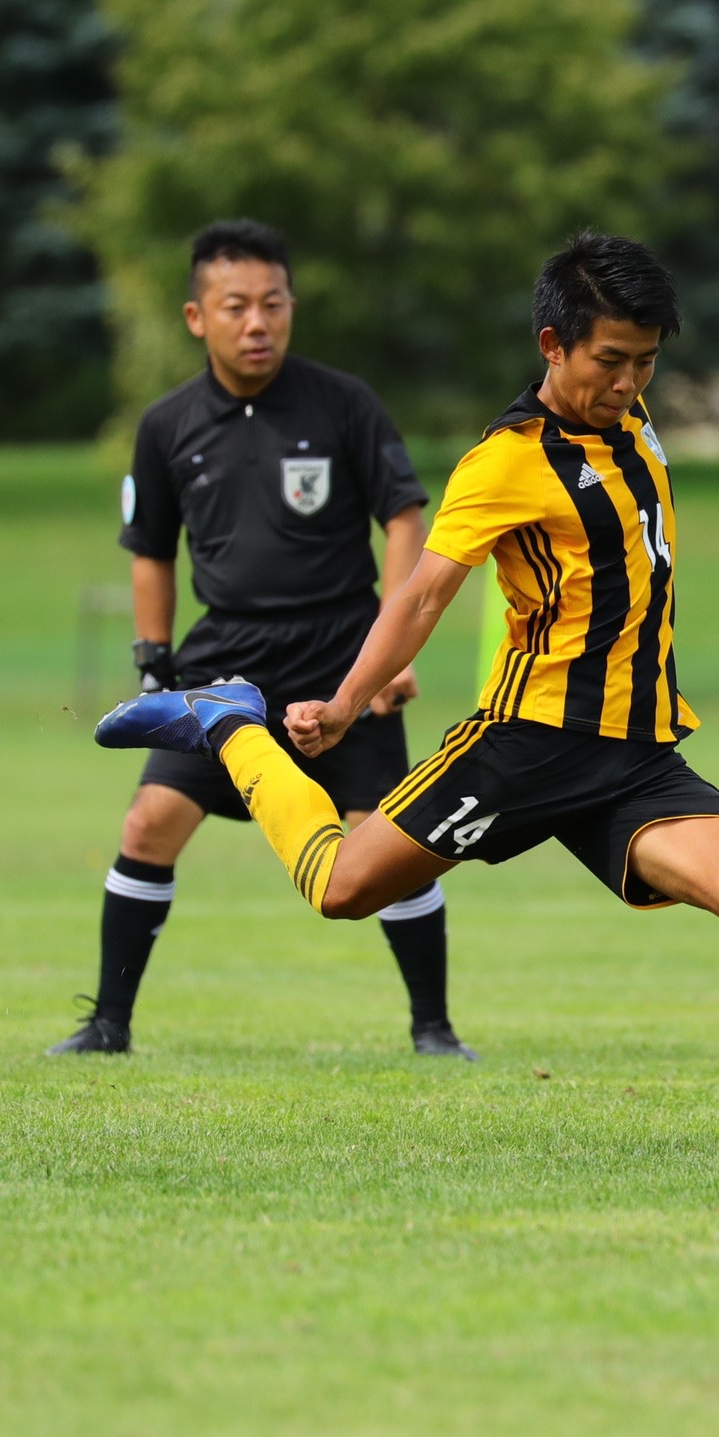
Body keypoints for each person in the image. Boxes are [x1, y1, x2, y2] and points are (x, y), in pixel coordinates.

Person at [92, 231, 719, 1147]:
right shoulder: (505, 462)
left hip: (637, 756)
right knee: (340, 887)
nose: (628, 381)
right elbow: (421, 596)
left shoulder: (634, 422)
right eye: (609, 361)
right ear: (553, 346)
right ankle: (230, 724)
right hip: (526, 745)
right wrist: (347, 702)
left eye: (645, 362)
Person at [49, 219, 475, 1060]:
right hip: (223, 667)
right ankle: (107, 1026)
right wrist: (153, 665)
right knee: (149, 822)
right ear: (195, 317)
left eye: (273, 304)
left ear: (291, 308)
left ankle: (434, 1030)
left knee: (387, 843)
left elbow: (404, 518)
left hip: (342, 657)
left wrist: (392, 652)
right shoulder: (167, 424)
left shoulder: (344, 404)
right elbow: (149, 552)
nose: (257, 323)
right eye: (236, 305)